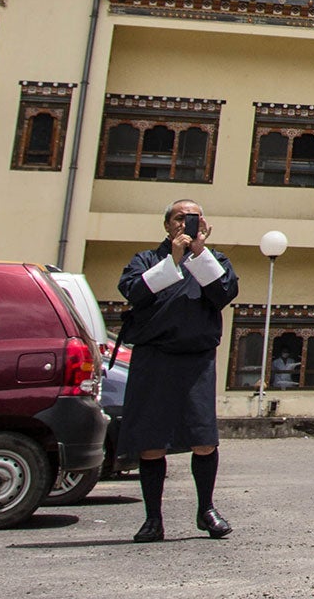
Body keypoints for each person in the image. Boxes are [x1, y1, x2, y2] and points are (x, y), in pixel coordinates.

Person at [117, 197, 239, 542]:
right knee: (151, 443)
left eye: (194, 217)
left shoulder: (214, 260)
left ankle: (206, 510)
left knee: (203, 439)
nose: (186, 223)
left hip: (196, 361)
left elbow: (224, 293)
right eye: (180, 218)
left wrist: (199, 255)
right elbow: (134, 291)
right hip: (153, 361)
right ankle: (153, 519)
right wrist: (173, 259)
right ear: (168, 224)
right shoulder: (146, 260)